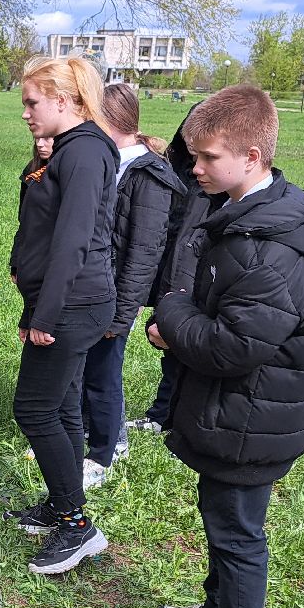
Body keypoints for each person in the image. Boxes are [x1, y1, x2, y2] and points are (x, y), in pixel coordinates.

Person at [147, 85, 304, 608]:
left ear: (252, 157)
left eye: (206, 158)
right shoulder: (243, 215)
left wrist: (171, 318)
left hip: (254, 420)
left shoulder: (271, 254)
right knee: (221, 517)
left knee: (237, 532)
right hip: (237, 413)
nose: (195, 169)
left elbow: (232, 347)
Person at [4, 55, 119, 575]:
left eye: (32, 102)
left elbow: (74, 242)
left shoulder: (86, 154)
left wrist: (44, 317)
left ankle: (76, 525)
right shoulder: (66, 149)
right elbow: (39, 218)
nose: (26, 112)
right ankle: (62, 503)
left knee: (34, 410)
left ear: (64, 101)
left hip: (73, 305)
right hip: (65, 300)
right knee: (64, 409)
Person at [78, 83, 183, 488]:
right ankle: (85, 431)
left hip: (115, 296)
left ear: (108, 122)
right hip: (91, 287)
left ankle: (107, 447)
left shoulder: (148, 176)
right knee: (83, 365)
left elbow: (144, 252)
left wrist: (122, 314)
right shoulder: (106, 162)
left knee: (105, 370)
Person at [128, 107, 209, 435]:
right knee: (171, 348)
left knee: (185, 349)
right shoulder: (177, 168)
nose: (192, 142)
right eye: (189, 132)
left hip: (195, 275)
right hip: (172, 268)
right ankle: (163, 415)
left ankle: (175, 419)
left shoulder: (212, 181)